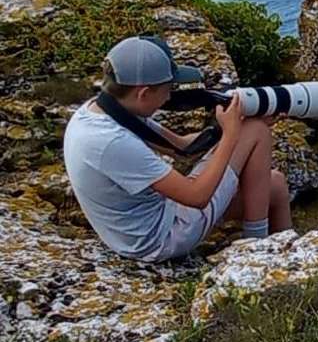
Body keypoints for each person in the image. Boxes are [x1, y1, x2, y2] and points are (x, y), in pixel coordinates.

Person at [63, 35, 291, 262]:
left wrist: (227, 126)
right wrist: (232, 135)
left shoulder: (103, 111)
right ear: (143, 93)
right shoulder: (112, 142)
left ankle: (289, 259)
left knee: (276, 186)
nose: (169, 97)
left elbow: (182, 146)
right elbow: (197, 196)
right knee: (256, 131)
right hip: (160, 238)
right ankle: (256, 251)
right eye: (167, 89)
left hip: (140, 228)